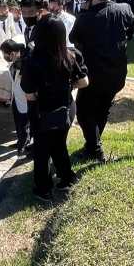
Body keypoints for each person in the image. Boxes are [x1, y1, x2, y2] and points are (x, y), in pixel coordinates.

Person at [21, 15, 88, 202]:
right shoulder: (70, 56)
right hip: (65, 109)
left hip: (43, 113)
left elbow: (29, 94)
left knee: (42, 152)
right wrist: (65, 87)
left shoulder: (33, 62)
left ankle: (44, 190)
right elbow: (84, 81)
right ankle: (67, 178)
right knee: (59, 145)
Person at [70, 0, 134, 162]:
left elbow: (75, 38)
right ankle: (92, 144)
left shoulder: (86, 18)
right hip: (117, 72)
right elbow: (130, 34)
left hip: (94, 74)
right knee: (103, 109)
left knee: (83, 112)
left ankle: (95, 149)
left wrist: (83, 12)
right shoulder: (125, 9)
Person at [1, 40, 30, 154]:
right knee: (18, 123)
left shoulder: (24, 64)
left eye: (5, 55)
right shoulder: (14, 64)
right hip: (15, 99)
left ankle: (24, 145)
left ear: (13, 54)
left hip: (24, 100)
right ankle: (20, 141)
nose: (5, 57)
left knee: (24, 125)